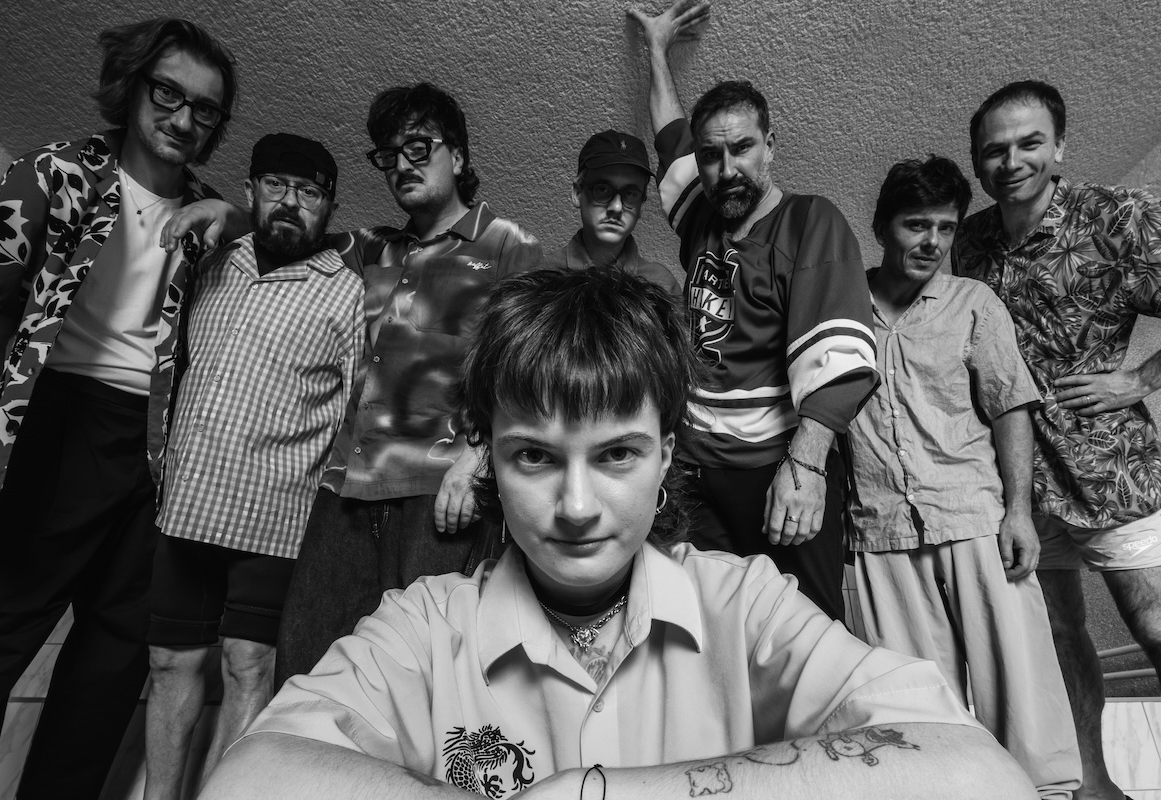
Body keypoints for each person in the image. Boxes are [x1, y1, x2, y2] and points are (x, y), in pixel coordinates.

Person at [197, 266, 1035, 800]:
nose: (576, 506)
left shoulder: (744, 602)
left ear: (665, 456)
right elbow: (246, 779)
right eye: (533, 456)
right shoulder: (422, 624)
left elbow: (978, 775)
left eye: (617, 455)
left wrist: (595, 792)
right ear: (488, 457)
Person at [161, 82, 541, 686]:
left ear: (459, 156)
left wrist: (480, 459)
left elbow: (531, 370)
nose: (401, 165)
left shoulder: (511, 246)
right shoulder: (371, 248)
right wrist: (227, 213)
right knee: (306, 665)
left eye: (419, 148)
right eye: (388, 155)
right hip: (341, 492)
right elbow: (289, 230)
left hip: (440, 493)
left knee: (427, 675)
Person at [0, 19, 235, 799]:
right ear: (134, 86)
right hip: (56, 419)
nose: (183, 118)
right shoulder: (56, 171)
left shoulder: (210, 213)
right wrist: (29, 387)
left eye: (205, 109)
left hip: (156, 447)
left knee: (112, 660)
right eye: (168, 93)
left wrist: (239, 217)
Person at [627, 0, 878, 619]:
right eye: (712, 155)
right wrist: (656, 50)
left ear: (771, 146)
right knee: (709, 619)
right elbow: (671, 136)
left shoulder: (810, 221)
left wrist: (808, 466)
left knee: (803, 626)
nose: (726, 168)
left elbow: (839, 356)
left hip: (775, 468)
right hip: (696, 470)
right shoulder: (702, 221)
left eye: (742, 149)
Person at [848, 155, 1081, 798]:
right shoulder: (840, 306)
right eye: (916, 225)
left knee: (1024, 695)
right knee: (915, 713)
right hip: (880, 535)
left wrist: (1018, 513)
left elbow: (1010, 407)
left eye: (946, 228)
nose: (932, 242)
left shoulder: (973, 303)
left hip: (975, 520)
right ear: (882, 226)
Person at [954, 79, 1161, 800]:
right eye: (995, 150)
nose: (1012, 161)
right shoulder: (970, 240)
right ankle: (1094, 788)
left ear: (1060, 146)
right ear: (978, 161)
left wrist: (1138, 380)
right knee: (1060, 638)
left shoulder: (1117, 218)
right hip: (1018, 481)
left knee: (1155, 624)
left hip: (1112, 469)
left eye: (1029, 143)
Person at [143, 133, 365, 800]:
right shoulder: (211, 262)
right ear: (250, 192)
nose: (290, 202)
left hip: (276, 518)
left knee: (247, 667)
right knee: (168, 663)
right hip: (186, 504)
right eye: (276, 185)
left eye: (309, 192)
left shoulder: (347, 292)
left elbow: (357, 414)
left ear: (329, 207)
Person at [542, 129, 680, 295]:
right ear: (578, 193)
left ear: (641, 205)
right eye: (602, 189)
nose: (616, 207)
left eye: (630, 194)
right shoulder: (542, 279)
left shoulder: (661, 286)